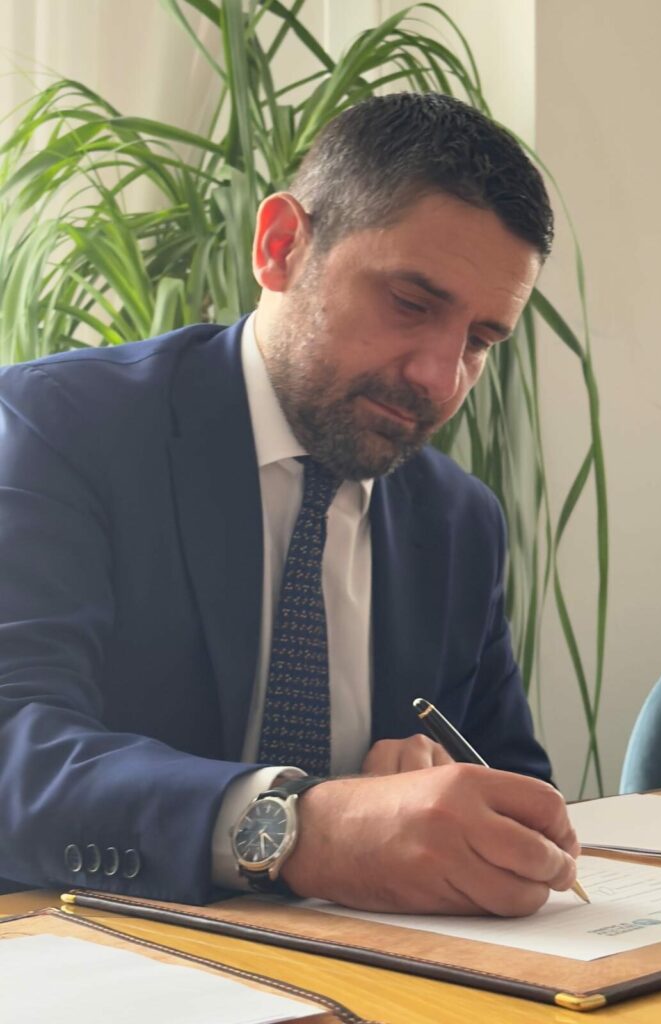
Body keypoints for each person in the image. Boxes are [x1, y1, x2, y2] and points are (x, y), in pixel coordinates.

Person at [0, 92, 579, 915]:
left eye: (481, 341)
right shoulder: (60, 425)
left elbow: (518, 790)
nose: (440, 377)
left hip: (369, 963)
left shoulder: (460, 520)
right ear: (280, 247)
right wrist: (303, 828)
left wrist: (458, 804)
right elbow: (14, 745)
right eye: (411, 304)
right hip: (91, 947)